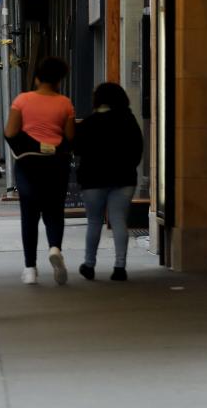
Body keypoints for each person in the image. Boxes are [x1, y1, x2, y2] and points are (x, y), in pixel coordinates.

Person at [5, 57, 75, 285]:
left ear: (37, 78)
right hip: (56, 165)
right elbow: (70, 137)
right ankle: (55, 247)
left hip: (29, 165)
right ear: (59, 79)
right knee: (55, 211)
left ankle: (30, 269)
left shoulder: (22, 100)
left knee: (30, 215)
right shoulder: (65, 103)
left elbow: (11, 131)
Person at [75, 81, 145, 282]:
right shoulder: (128, 120)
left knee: (94, 222)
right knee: (118, 220)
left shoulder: (89, 123)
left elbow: (77, 148)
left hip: (93, 180)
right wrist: (128, 166)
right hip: (123, 178)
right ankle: (120, 267)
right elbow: (137, 148)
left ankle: (89, 265)